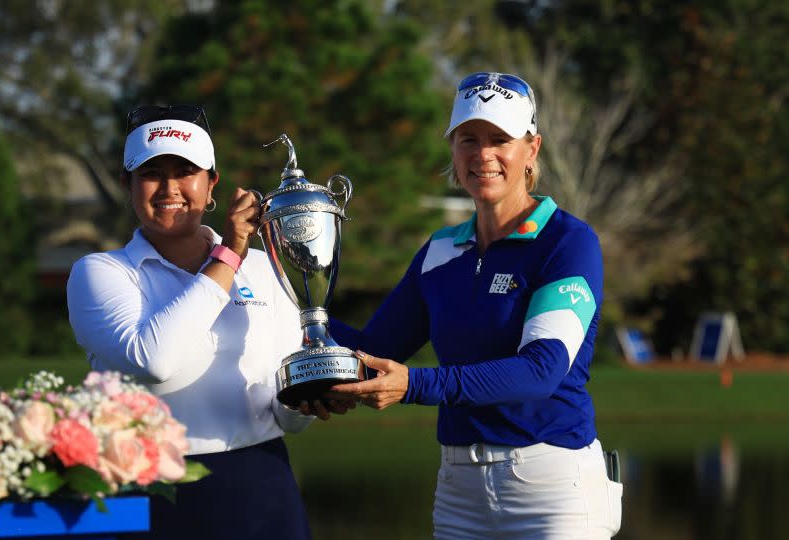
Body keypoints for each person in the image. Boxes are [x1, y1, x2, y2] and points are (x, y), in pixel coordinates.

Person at [326, 73, 623, 539]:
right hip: (459, 493)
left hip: (552, 489)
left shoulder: (567, 242)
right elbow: (372, 349)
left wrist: (415, 386)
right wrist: (283, 300)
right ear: (452, 149)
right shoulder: (441, 250)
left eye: (499, 139)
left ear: (532, 149)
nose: (483, 155)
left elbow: (541, 371)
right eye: (469, 139)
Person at [67, 104, 322, 539]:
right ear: (127, 184)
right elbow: (153, 361)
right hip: (146, 492)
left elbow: (284, 415)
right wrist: (228, 256)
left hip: (260, 487)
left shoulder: (264, 269)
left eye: (185, 171)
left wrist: (307, 400)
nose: (169, 188)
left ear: (211, 185)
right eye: (151, 173)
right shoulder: (100, 272)